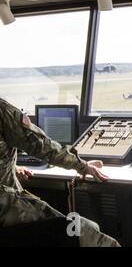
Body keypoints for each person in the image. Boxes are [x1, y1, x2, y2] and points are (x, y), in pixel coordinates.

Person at [0, 98, 120, 247]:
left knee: (89, 225)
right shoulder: (2, 110)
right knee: (85, 231)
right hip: (4, 205)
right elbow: (42, 146)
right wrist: (82, 166)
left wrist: (12, 168)